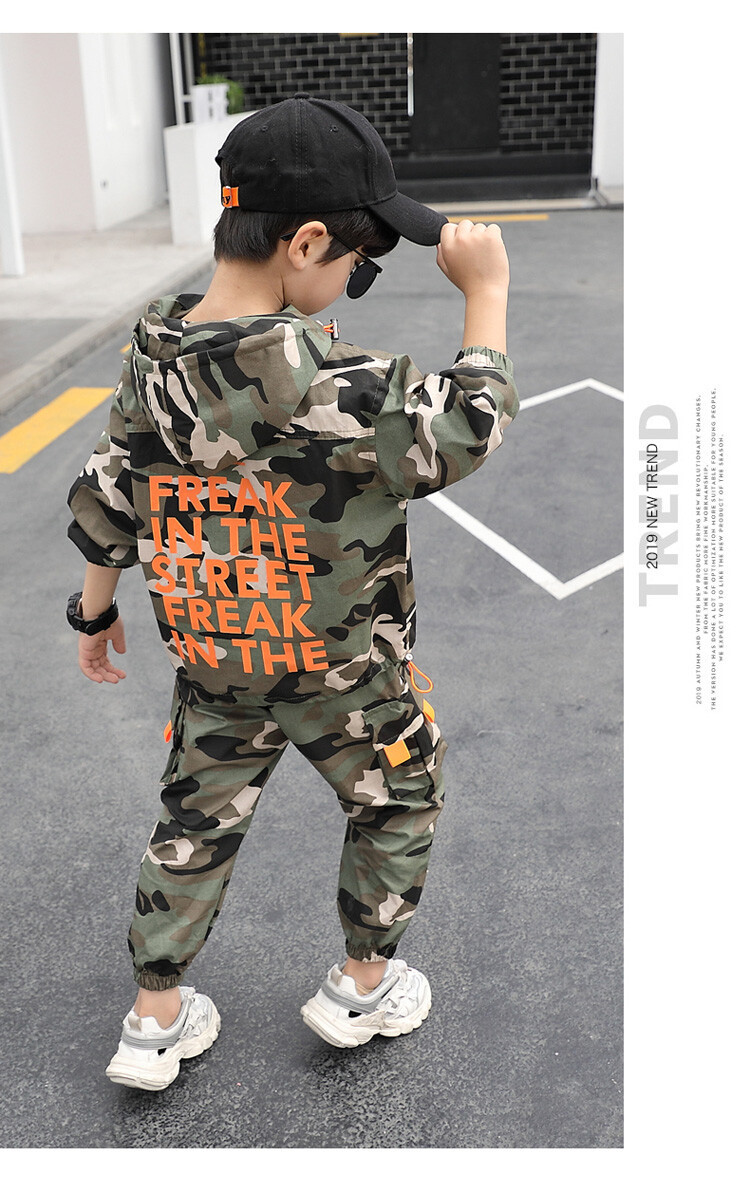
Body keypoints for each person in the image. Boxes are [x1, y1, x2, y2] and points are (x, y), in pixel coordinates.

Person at [66, 93, 518, 1091]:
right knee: (400, 794)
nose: (356, 277)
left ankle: (154, 1015)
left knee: (194, 821)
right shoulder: (339, 381)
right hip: (344, 671)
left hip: (215, 659)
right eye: (360, 259)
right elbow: (464, 429)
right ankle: (361, 984)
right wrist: (484, 297)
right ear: (306, 241)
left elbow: (109, 486)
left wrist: (93, 610)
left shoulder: (152, 353)